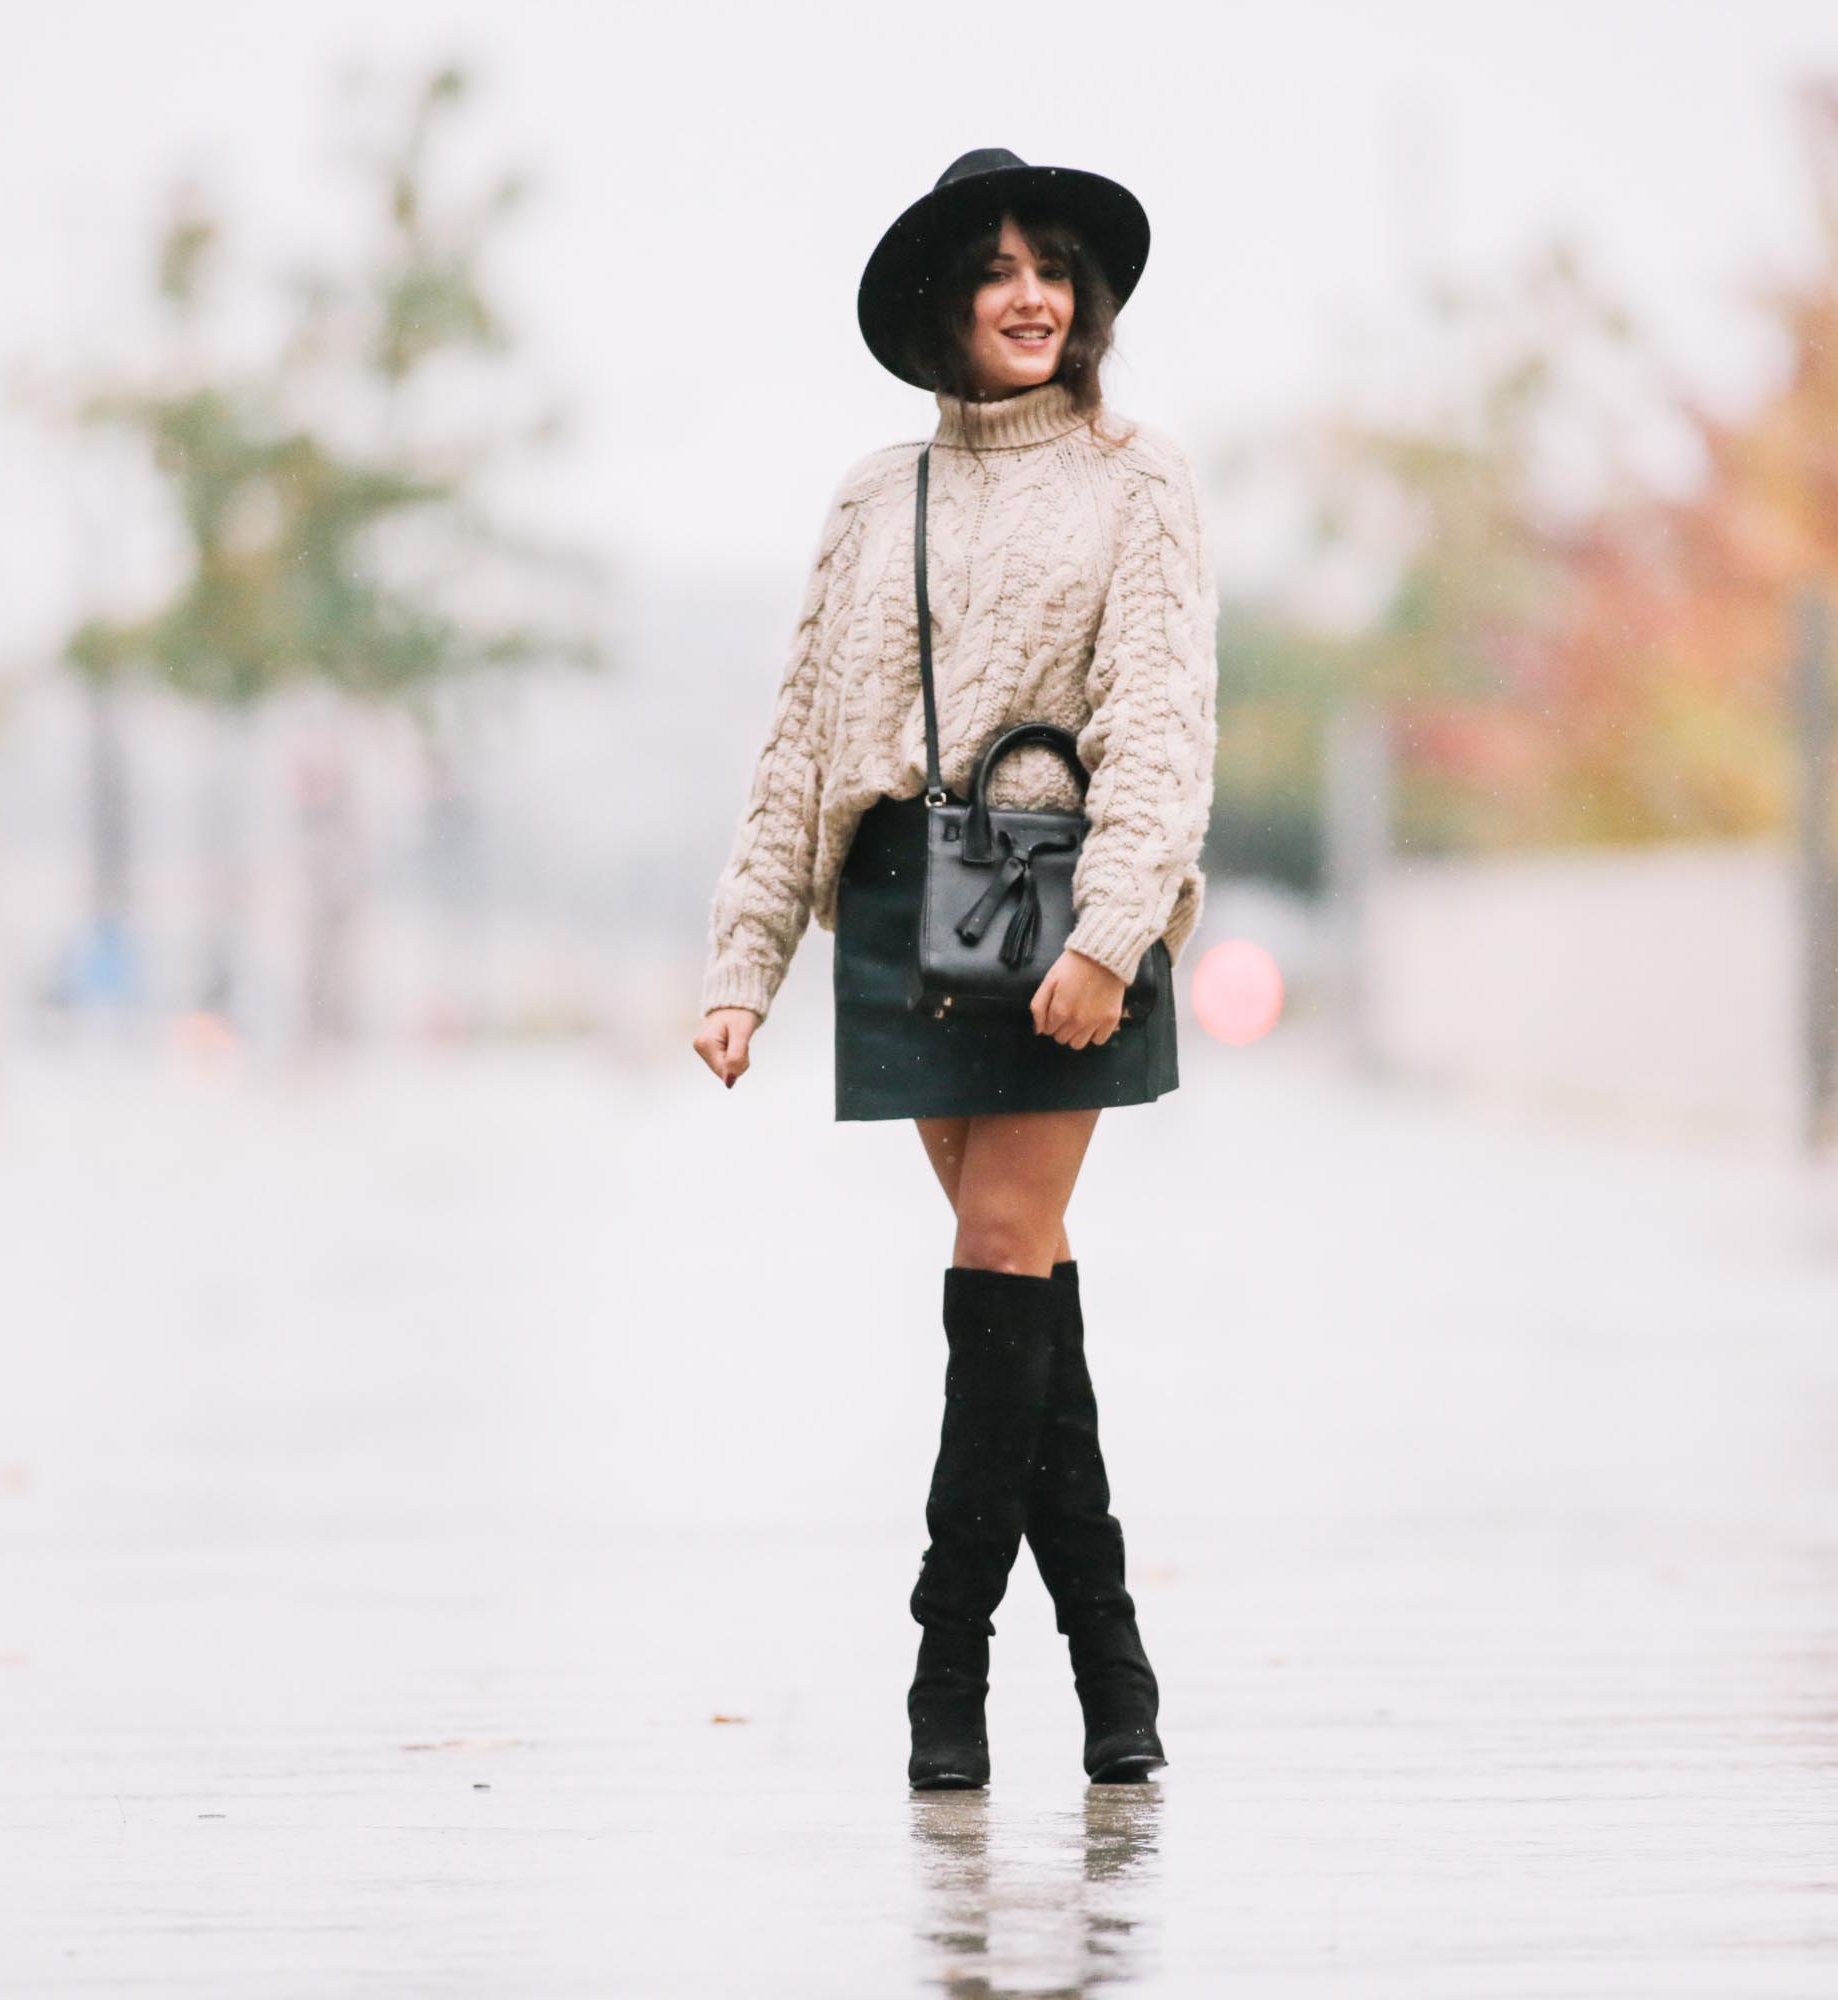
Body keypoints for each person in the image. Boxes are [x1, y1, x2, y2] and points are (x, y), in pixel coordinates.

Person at [690, 148, 1218, 1791]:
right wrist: (742, 966)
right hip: (911, 907)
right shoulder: (872, 496)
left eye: (1052, 266)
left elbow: (1165, 717)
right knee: (1023, 1277)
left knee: (999, 1243)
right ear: (944, 304)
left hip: (1062, 912)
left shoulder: (1141, 479)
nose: (1031, 294)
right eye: (996, 270)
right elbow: (800, 744)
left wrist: (1111, 936)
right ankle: (1116, 1667)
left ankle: (949, 1666)